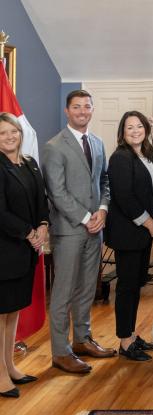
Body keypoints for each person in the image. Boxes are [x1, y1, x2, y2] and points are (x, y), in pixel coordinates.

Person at [42, 90, 114, 374]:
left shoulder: (96, 143)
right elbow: (56, 192)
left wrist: (104, 210)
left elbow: (104, 180)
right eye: (76, 107)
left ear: (93, 110)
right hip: (69, 231)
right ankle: (61, 351)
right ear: (67, 111)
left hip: (95, 228)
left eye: (87, 106)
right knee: (64, 292)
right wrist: (86, 218)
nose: (82, 111)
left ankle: (82, 340)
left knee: (87, 289)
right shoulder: (54, 146)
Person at [104, 111, 153, 362]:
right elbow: (124, 196)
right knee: (127, 288)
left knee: (137, 285)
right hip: (128, 233)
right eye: (130, 128)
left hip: (143, 233)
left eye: (139, 126)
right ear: (122, 133)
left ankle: (132, 333)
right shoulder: (120, 158)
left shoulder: (148, 155)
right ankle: (125, 342)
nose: (136, 131)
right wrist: (149, 222)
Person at [0, 113, 48, 398]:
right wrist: (30, 233)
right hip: (5, 251)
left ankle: (10, 365)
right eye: (2, 133)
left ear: (20, 133)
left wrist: (42, 225)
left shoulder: (29, 163)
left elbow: (41, 200)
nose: (9, 137)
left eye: (13, 131)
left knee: (13, 311)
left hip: (25, 252)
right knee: (0, 313)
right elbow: (0, 213)